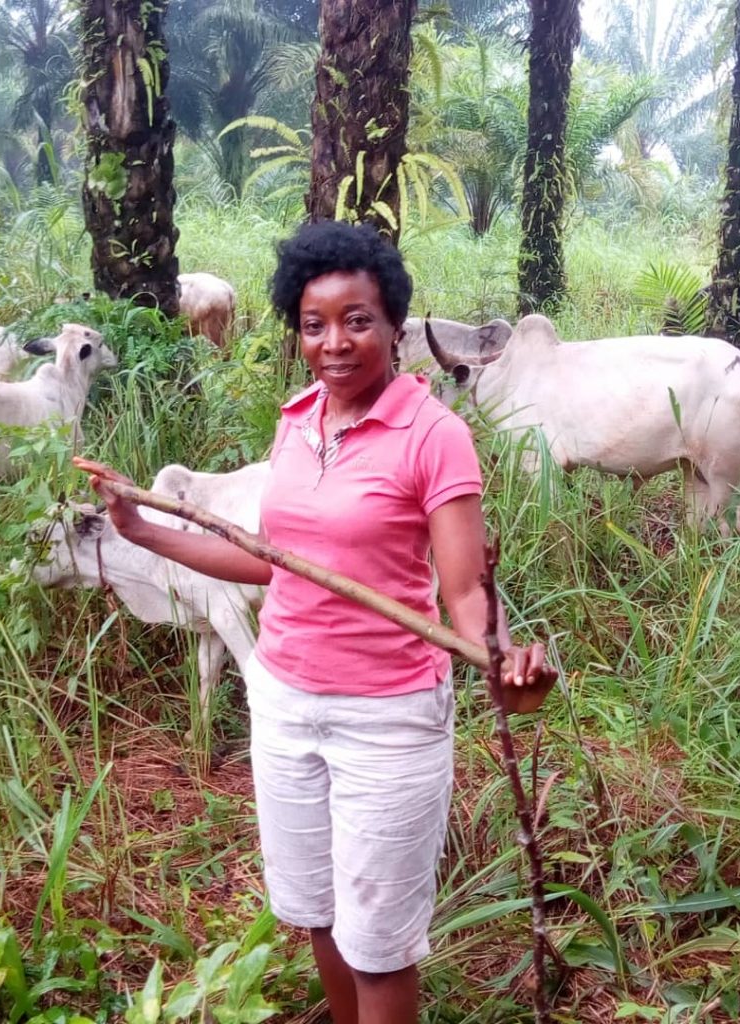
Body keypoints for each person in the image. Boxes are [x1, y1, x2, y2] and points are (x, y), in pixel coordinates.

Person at [75, 220, 557, 1024]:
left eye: (357, 320)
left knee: (379, 947)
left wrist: (503, 663)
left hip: (387, 724)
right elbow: (277, 563)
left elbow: (465, 593)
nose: (334, 342)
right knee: (319, 916)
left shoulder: (436, 436)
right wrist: (146, 530)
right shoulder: (297, 423)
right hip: (284, 706)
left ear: (395, 324)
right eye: (313, 324)